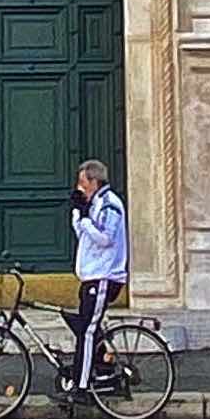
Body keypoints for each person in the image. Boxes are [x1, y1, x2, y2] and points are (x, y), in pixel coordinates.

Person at [64, 158, 129, 401]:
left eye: (83, 183)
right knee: (81, 323)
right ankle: (103, 368)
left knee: (88, 332)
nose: (80, 187)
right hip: (90, 276)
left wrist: (85, 218)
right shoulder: (94, 203)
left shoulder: (109, 204)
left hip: (104, 277)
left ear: (94, 181)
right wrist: (77, 211)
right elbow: (82, 233)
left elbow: (105, 238)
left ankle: (81, 388)